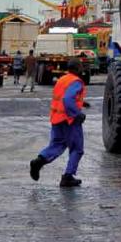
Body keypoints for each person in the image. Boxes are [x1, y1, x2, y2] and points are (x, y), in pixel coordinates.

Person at [28, 58, 88, 187]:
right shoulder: (76, 81)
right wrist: (77, 114)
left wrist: (82, 103)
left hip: (57, 118)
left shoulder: (62, 79)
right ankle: (68, 176)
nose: (83, 69)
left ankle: (39, 161)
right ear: (77, 68)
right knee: (77, 149)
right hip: (69, 120)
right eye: (81, 66)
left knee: (57, 145)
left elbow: (62, 97)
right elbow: (67, 99)